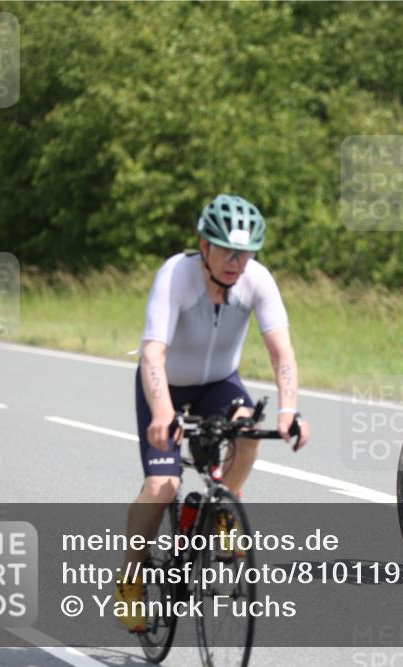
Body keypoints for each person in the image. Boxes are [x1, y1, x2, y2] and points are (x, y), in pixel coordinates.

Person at [116, 194, 311, 632]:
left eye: (245, 253)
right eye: (227, 250)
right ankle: (130, 577)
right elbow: (152, 353)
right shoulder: (176, 276)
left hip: (218, 383)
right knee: (163, 484)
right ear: (204, 246)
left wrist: (290, 409)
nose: (236, 262)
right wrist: (163, 412)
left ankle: (222, 507)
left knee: (247, 430)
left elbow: (282, 352)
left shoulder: (257, 281)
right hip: (163, 381)